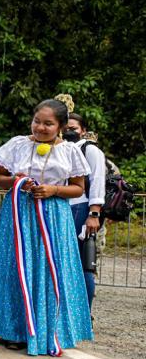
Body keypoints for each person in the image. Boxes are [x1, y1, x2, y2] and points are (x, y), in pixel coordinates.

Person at [0, 100, 93, 356]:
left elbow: (78, 188)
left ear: (61, 126)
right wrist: (17, 181)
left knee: (49, 266)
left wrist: (53, 189)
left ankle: (51, 327)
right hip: (19, 213)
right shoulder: (18, 144)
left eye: (48, 123)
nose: (41, 127)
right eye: (37, 121)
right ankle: (15, 330)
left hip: (54, 214)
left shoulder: (70, 151)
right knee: (17, 264)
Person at [59, 94, 105, 309]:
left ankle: (84, 312)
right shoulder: (59, 148)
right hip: (60, 206)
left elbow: (97, 182)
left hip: (80, 207)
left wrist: (94, 214)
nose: (69, 131)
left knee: (81, 262)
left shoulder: (90, 150)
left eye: (74, 127)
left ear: (83, 130)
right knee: (61, 261)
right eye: (65, 126)